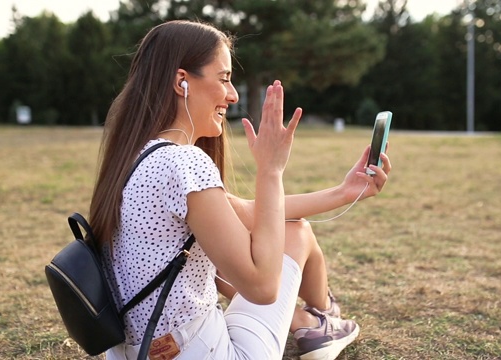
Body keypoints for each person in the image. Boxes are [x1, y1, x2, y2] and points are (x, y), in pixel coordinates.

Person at [89, 20, 391, 360]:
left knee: (291, 229)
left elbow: (246, 212)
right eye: (224, 79)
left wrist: (345, 192)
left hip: (140, 353)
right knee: (298, 233)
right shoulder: (184, 162)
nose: (232, 95)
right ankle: (323, 321)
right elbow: (262, 287)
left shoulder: (136, 156)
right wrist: (271, 169)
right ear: (182, 81)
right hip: (209, 353)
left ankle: (316, 320)